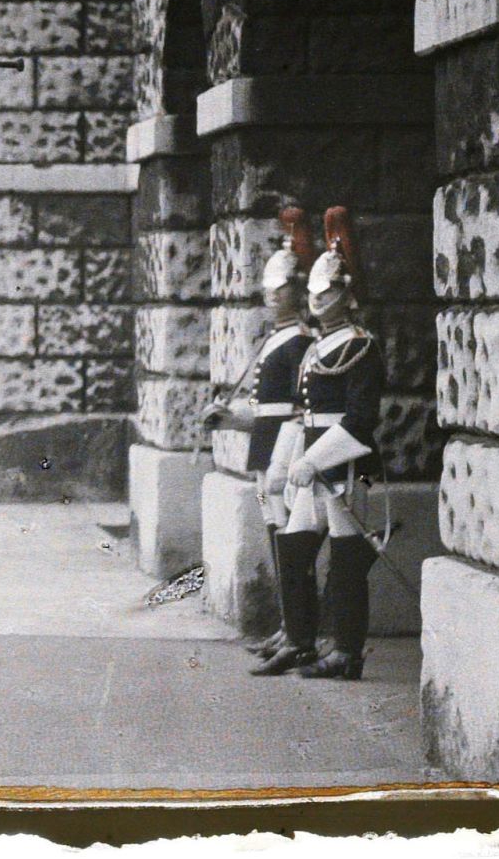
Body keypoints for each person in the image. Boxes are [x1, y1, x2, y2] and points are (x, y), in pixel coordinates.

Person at [253, 206, 384, 680]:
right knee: (293, 547)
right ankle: (302, 640)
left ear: (346, 295)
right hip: (314, 464)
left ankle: (347, 652)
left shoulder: (360, 345)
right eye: (313, 292)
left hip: (352, 465)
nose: (317, 300)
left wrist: (314, 459)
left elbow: (361, 420)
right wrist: (296, 463)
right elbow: (304, 413)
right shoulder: (316, 348)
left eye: (326, 292)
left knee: (348, 562)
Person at [206, 205, 315, 661]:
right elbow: (263, 410)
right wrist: (230, 418)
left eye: (283, 286)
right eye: (270, 286)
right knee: (277, 544)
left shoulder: (301, 342)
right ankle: (288, 627)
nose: (273, 294)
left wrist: (283, 459)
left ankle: (300, 636)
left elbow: (297, 410)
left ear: (300, 289)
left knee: (293, 548)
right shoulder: (271, 341)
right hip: (265, 450)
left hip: (286, 454)